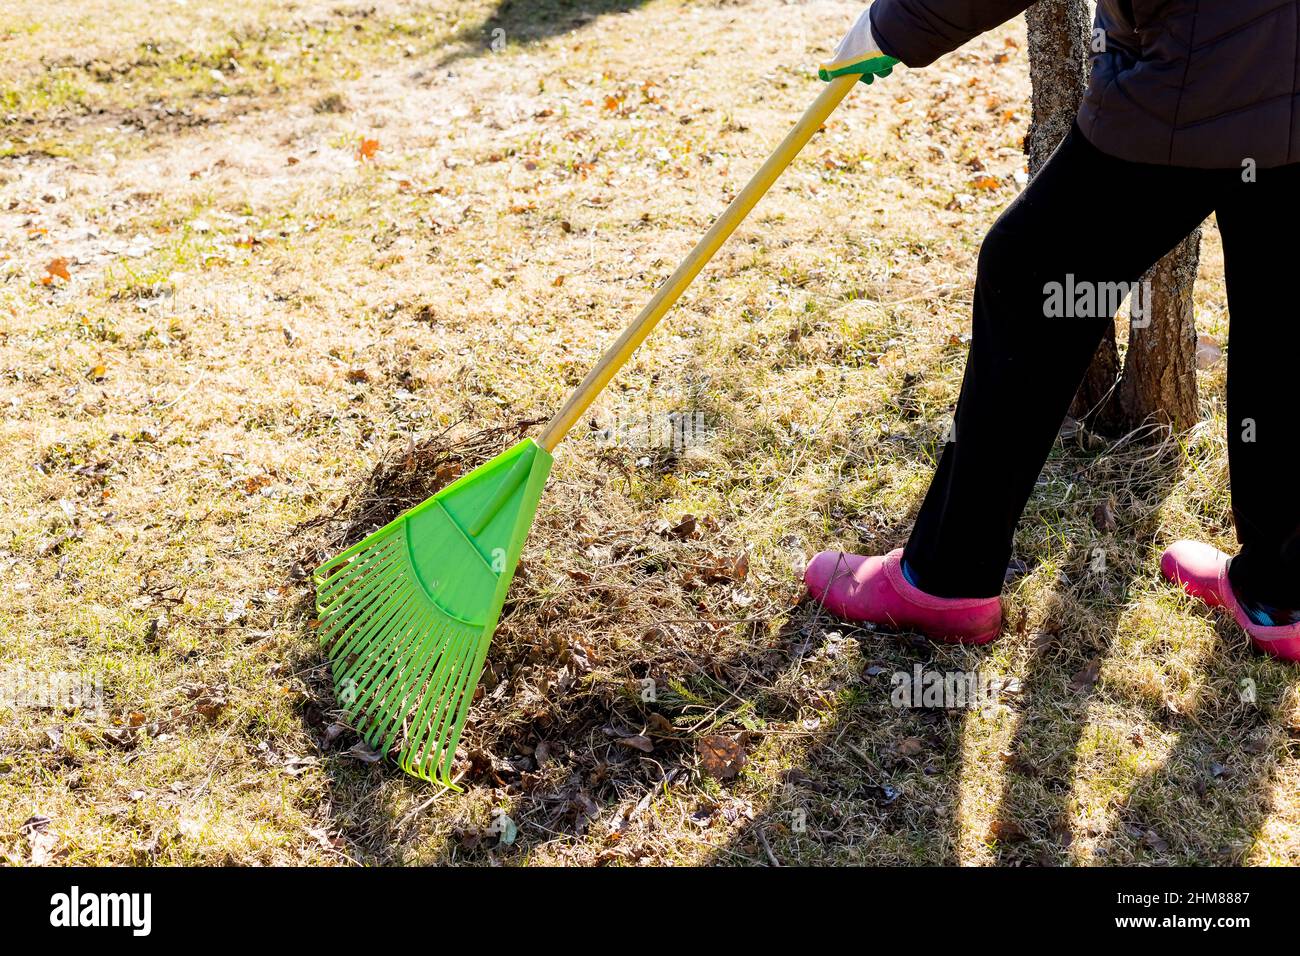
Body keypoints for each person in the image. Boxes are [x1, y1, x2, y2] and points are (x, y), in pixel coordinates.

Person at [804, 0, 1300, 662]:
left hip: (1199, 75)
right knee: (1285, 323)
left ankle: (944, 579)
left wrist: (894, 25)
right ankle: (1283, 592)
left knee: (1031, 280)